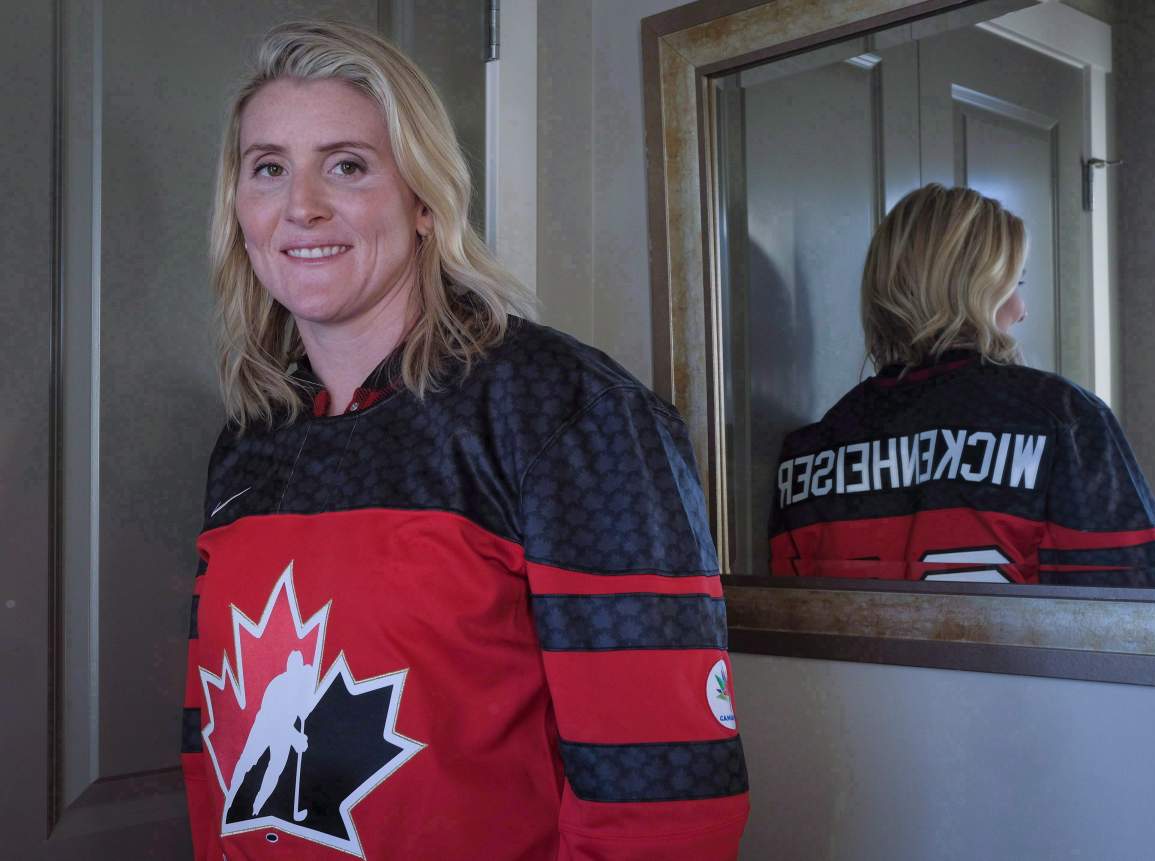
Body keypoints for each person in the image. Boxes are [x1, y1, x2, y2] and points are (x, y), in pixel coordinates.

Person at [181, 20, 748, 860]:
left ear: (422, 201)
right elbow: (215, 754)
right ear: (240, 208)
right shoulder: (248, 442)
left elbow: (665, 798)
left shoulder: (564, 412)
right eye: (269, 168)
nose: (301, 205)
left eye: (347, 165)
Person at [768, 184, 1155, 587]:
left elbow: (792, 624)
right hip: (1016, 656)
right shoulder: (1064, 420)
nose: (1022, 310)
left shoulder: (811, 450)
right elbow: (1138, 616)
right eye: (1014, 284)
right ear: (973, 293)